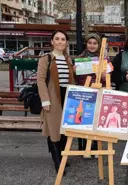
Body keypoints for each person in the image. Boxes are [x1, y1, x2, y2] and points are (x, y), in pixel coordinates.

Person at [37, 30, 75, 173]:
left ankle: (63, 157)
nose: (60, 41)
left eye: (63, 39)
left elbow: (71, 79)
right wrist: (45, 100)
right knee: (54, 130)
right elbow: (40, 80)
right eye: (57, 39)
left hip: (68, 97)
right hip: (53, 98)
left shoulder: (68, 59)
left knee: (65, 129)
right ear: (52, 41)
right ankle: (57, 161)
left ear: (66, 43)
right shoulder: (46, 59)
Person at [75, 33, 102, 153]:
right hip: (83, 92)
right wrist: (74, 71)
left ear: (99, 45)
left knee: (95, 120)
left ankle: (95, 146)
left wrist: (105, 73)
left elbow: (108, 77)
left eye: (95, 43)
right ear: (86, 44)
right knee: (83, 119)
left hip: (98, 92)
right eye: (90, 43)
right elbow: (75, 78)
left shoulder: (103, 58)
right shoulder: (79, 58)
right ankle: (84, 147)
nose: (92, 45)